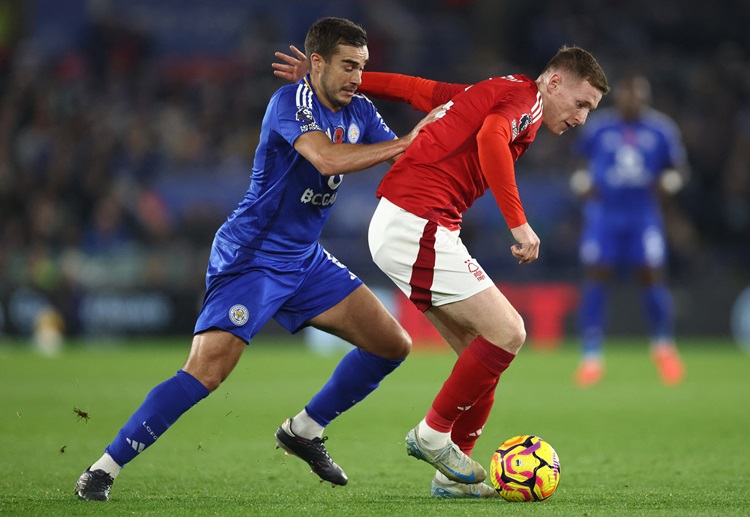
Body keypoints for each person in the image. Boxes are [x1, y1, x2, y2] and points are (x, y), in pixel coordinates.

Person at [74, 17, 438, 502]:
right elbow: (327, 160)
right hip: (252, 257)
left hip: (305, 260)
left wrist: (456, 136)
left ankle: (304, 430)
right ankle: (103, 468)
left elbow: (404, 160)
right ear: (317, 63)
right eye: (348, 66)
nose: (358, 77)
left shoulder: (361, 109)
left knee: (392, 343)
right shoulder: (290, 102)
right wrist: (409, 140)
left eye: (363, 67)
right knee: (206, 372)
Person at [273, 44, 609, 498]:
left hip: (411, 223)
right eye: (581, 103)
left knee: (481, 357)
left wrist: (337, 83)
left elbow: (416, 90)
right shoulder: (525, 102)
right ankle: (433, 435)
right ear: (553, 83)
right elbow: (492, 139)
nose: (581, 118)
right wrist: (519, 223)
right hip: (418, 221)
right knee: (510, 332)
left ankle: (451, 479)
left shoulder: (496, 89)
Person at [569, 74, 688, 387]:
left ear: (646, 98)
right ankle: (591, 356)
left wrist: (669, 183)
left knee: (650, 274)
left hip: (643, 217)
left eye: (639, 95)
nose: (633, 100)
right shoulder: (599, 127)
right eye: (628, 94)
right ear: (618, 96)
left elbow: (677, 169)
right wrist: (581, 183)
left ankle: (663, 347)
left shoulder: (661, 129)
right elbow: (579, 163)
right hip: (604, 216)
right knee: (597, 275)